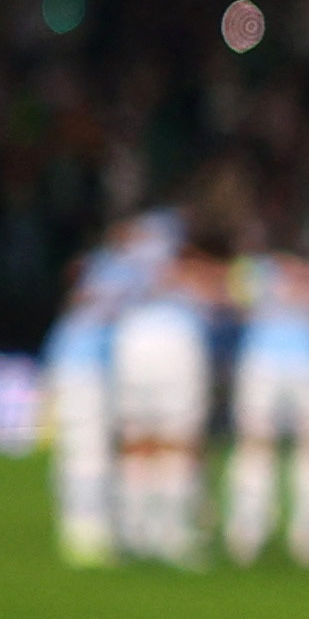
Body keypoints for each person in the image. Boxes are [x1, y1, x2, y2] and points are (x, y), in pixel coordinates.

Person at [43, 210, 176, 567]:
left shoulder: (106, 264)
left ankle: (93, 528)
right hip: (83, 364)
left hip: (85, 363)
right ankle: (85, 534)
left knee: (91, 448)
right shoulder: (124, 271)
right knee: (87, 449)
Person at [108, 226, 225, 569]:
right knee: (178, 440)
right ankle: (173, 534)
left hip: (131, 340)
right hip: (174, 339)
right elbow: (221, 297)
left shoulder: (118, 259)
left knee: (138, 439)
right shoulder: (190, 264)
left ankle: (135, 532)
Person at [222, 248, 309, 568]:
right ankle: (246, 532)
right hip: (262, 362)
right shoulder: (252, 267)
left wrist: (308, 281)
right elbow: (237, 304)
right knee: (255, 444)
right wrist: (284, 284)